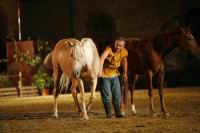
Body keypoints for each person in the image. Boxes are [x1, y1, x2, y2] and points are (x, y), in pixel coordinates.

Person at [99, 37, 128, 118]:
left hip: (115, 75)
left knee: (117, 94)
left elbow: (124, 61)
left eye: (120, 46)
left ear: (123, 46)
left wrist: (125, 73)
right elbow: (102, 58)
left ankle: (118, 112)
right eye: (117, 45)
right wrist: (100, 71)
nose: (117, 47)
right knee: (106, 95)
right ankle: (109, 113)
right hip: (105, 75)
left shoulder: (124, 52)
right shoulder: (109, 49)